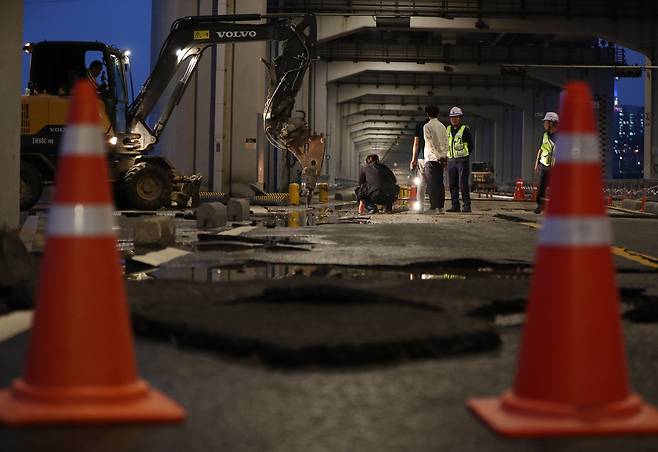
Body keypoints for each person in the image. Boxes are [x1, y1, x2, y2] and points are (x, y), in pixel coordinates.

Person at [446, 106, 473, 213]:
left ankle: (467, 205)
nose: (454, 119)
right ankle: (455, 205)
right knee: (452, 184)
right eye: (452, 117)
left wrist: (465, 155)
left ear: (460, 117)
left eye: (456, 117)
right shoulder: (447, 129)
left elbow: (471, 145)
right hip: (451, 160)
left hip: (462, 160)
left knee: (463, 183)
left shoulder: (465, 129)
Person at [422, 105, 448, 214]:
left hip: (431, 159)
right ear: (438, 114)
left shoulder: (427, 126)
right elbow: (447, 143)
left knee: (431, 184)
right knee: (439, 183)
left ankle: (433, 208)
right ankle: (441, 207)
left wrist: (437, 157)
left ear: (427, 114)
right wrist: (443, 156)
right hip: (441, 160)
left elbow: (430, 144)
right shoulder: (443, 126)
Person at [534, 111, 559, 214]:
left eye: (545, 122)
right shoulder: (545, 136)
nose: (544, 124)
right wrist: (537, 163)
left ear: (551, 123)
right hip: (546, 167)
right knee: (542, 187)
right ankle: (540, 205)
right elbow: (541, 149)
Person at [410, 115, 429, 211]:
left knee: (421, 183)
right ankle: (437, 206)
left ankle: (420, 206)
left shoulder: (420, 125)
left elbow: (416, 143)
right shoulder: (440, 126)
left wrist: (413, 159)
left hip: (422, 157)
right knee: (435, 183)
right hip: (435, 158)